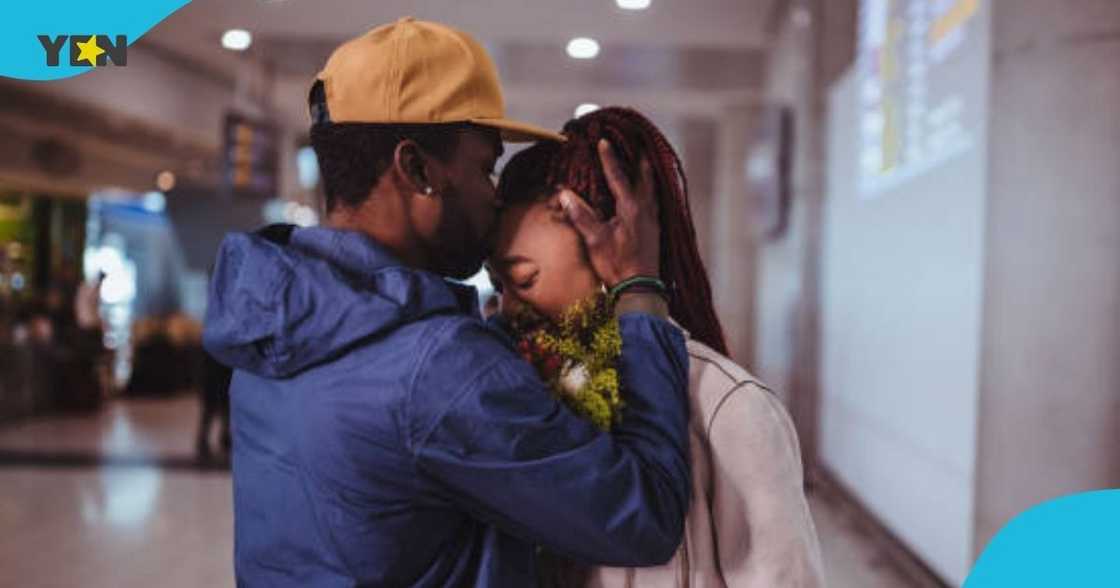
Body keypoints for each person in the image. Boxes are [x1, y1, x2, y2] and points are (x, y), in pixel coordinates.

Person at [203, 18, 692, 587]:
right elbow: (646, 514)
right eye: (485, 167)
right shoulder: (439, 367)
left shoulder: (271, 320)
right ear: (416, 169)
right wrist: (638, 286)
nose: (494, 196)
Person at [491, 106, 825, 587]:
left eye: (524, 280)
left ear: (612, 252)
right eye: (497, 285)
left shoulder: (729, 406)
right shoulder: (535, 394)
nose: (506, 309)